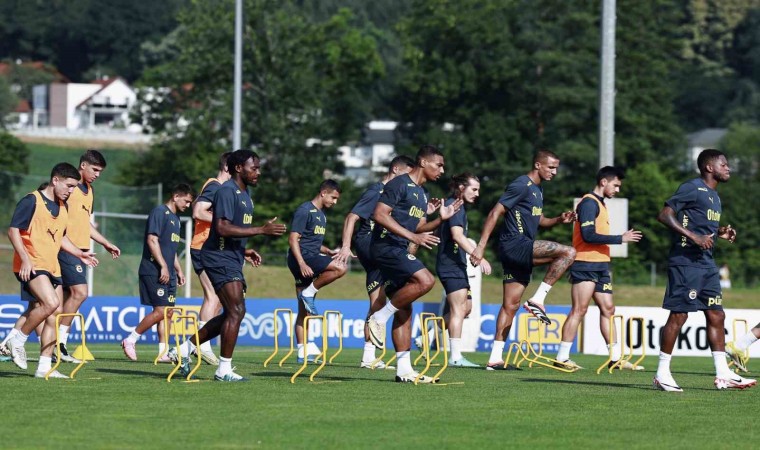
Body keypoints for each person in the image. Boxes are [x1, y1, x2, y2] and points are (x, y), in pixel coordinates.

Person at [171, 150, 287, 382]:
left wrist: (244, 250)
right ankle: (223, 370)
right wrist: (261, 230)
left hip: (231, 257)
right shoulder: (225, 191)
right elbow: (221, 228)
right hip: (218, 257)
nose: (258, 172)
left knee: (233, 312)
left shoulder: (245, 194)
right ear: (238, 168)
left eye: (258, 168)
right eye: (254, 168)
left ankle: (184, 349)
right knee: (236, 311)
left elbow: (232, 230)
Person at [1, 151, 121, 363]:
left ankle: (39, 361)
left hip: (62, 257)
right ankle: (36, 343)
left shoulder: (76, 198)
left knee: (46, 309)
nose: (71, 191)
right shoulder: (40, 198)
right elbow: (17, 229)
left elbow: (73, 229)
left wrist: (89, 249)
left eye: (100, 172)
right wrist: (26, 258)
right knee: (63, 299)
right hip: (45, 258)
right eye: (94, 170)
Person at [653, 149, 755, 392]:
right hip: (686, 261)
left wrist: (720, 233)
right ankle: (661, 373)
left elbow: (701, 226)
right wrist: (693, 237)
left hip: (706, 264)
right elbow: (664, 215)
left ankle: (723, 374)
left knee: (716, 315)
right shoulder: (692, 187)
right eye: (724, 164)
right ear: (709, 167)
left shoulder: (715, 196)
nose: (728, 168)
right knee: (679, 315)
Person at [469, 149, 576, 370]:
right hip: (515, 245)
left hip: (520, 249)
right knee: (569, 253)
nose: (554, 172)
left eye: (556, 168)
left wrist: (558, 219)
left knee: (511, 305)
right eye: (551, 167)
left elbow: (540, 220)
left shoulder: (538, 189)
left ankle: (494, 359)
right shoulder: (521, 184)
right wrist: (480, 247)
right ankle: (538, 299)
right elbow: (494, 212)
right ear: (538, 165)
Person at [365, 145, 461, 383]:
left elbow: (418, 227)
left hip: (398, 248)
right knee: (426, 280)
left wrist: (441, 219)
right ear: (423, 163)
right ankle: (379, 317)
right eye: (439, 165)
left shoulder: (422, 193)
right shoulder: (399, 184)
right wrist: (412, 237)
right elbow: (379, 214)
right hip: (385, 246)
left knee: (405, 310)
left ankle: (404, 371)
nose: (442, 170)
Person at [554, 166, 643, 370]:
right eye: (616, 185)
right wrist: (620, 238)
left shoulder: (601, 204)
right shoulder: (588, 203)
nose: (618, 190)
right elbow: (588, 235)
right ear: (604, 182)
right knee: (580, 309)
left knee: (608, 309)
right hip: (585, 263)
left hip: (601, 265)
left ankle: (615, 358)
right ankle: (562, 357)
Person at [334, 155, 415, 369]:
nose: (410, 179)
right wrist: (345, 246)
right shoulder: (378, 191)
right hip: (370, 244)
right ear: (396, 170)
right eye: (408, 174)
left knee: (378, 301)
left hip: (377, 249)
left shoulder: (397, 195)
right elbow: (352, 217)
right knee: (402, 293)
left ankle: (368, 356)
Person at [121, 184, 194, 361]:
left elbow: (171, 249)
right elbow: (152, 240)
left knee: (168, 313)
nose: (188, 205)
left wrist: (179, 270)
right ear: (176, 196)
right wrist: (163, 266)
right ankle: (131, 339)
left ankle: (163, 352)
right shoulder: (159, 212)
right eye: (186, 201)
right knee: (160, 310)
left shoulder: (176, 219)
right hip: (154, 270)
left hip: (168, 273)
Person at [433, 172, 491, 367]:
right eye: (474, 189)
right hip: (450, 265)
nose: (477, 194)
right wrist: (478, 256)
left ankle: (429, 334)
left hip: (457, 265)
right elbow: (457, 236)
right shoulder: (455, 206)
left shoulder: (458, 206)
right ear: (461, 188)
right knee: (458, 309)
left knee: (466, 308)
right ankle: (455, 357)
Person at [287, 180, 346, 362]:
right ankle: (309, 292)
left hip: (310, 256)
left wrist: (328, 251)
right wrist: (302, 263)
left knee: (303, 310)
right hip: (302, 258)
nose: (335, 202)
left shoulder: (322, 215)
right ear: (323, 193)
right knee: (340, 267)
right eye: (333, 197)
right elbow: (293, 239)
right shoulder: (305, 210)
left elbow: (312, 242)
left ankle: (302, 352)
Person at [189, 151, 232, 365]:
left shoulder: (221, 189)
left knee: (218, 299)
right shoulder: (215, 186)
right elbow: (198, 212)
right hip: (202, 248)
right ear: (227, 167)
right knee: (213, 297)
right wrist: (222, 222)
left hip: (213, 249)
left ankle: (198, 345)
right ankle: (201, 346)